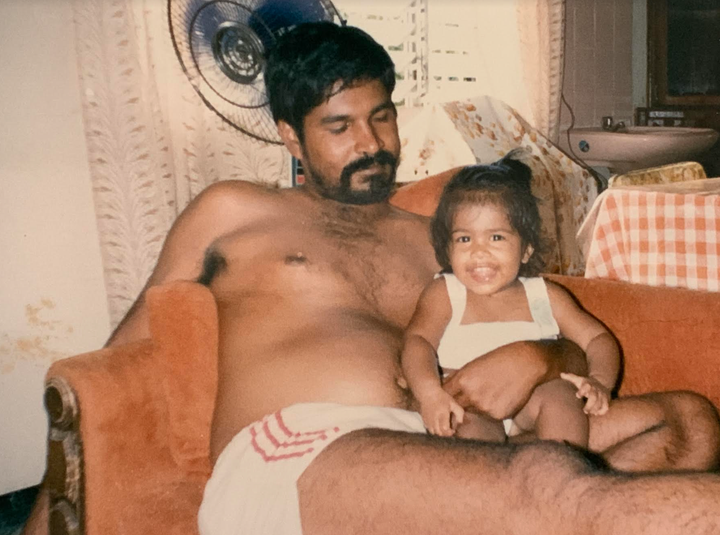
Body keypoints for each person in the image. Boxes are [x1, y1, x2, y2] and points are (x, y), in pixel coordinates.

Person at [21, 21, 720, 535]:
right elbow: (114, 364)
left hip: (447, 434)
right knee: (549, 482)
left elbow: (544, 324)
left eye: (381, 116)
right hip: (307, 453)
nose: (371, 144)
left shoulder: (434, 233)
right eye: (340, 126)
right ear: (291, 137)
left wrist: (541, 356)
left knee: (687, 420)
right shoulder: (234, 210)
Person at [401, 155, 620, 447]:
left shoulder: (545, 295)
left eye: (496, 238)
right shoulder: (446, 293)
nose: (479, 252)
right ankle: (492, 485)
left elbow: (597, 338)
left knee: (560, 396)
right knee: (467, 427)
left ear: (526, 250)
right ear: (447, 248)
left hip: (532, 405)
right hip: (470, 407)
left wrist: (600, 381)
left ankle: (564, 474)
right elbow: (418, 342)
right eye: (464, 239)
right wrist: (430, 394)